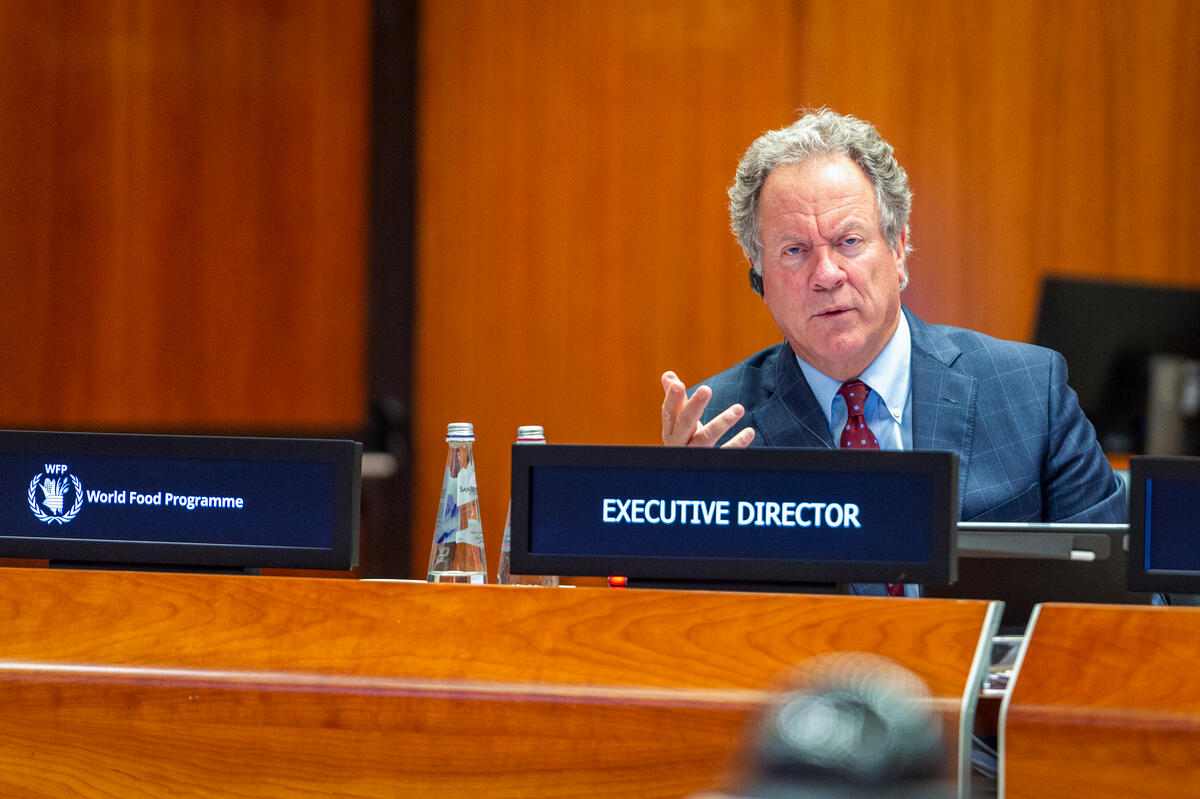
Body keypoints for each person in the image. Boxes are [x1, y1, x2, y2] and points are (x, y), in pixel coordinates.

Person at [660, 109, 1126, 566]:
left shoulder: (1028, 391)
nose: (826, 274)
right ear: (760, 278)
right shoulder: (717, 428)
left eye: (849, 241)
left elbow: (1125, 600)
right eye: (795, 250)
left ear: (898, 249)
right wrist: (677, 517)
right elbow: (680, 631)